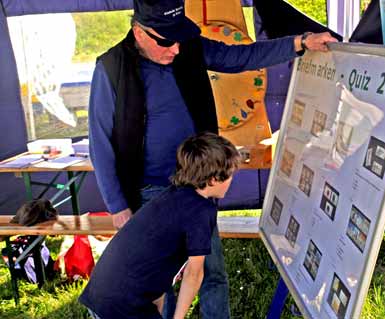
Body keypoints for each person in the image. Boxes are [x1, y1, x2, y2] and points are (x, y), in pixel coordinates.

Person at [88, 0, 338, 317]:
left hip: (197, 187)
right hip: (149, 193)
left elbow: (242, 56)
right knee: (158, 281)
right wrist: (118, 208)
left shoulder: (188, 47)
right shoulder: (110, 68)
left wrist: (300, 43)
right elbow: (100, 142)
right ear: (139, 32)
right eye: (166, 41)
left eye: (179, 37)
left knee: (211, 271)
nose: (176, 49)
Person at [80, 132, 241, 319]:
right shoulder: (200, 211)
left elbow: (155, 259)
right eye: (229, 174)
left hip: (102, 294)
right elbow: (194, 275)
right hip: (123, 305)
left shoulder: (171, 194)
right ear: (213, 179)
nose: (231, 179)